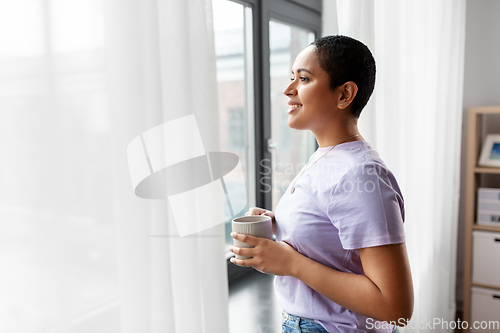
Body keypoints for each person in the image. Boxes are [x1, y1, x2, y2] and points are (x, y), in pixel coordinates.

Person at [229, 35, 413, 333]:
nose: (288, 90)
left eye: (303, 78)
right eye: (292, 77)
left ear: (344, 95)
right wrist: (282, 224)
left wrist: (290, 263)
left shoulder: (361, 173)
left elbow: (395, 307)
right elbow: (336, 234)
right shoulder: (327, 156)